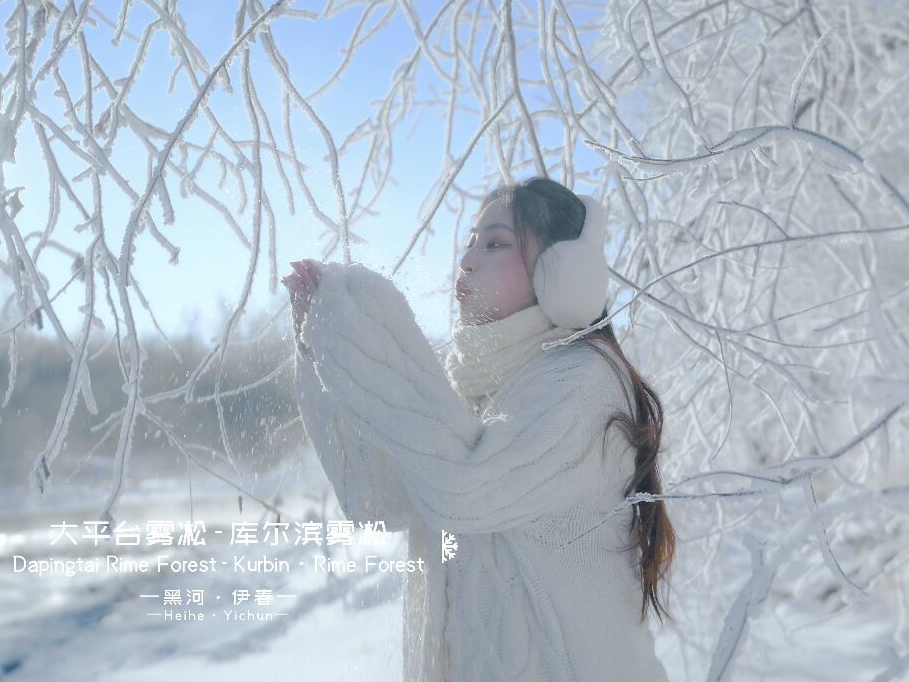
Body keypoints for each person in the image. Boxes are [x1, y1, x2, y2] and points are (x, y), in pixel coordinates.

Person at [281, 176, 675, 681]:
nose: (467, 260)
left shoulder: (584, 382)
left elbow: (465, 489)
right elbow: (379, 499)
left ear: (562, 272)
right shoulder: (474, 392)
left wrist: (370, 332)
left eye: (496, 244)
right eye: (470, 242)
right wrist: (326, 353)